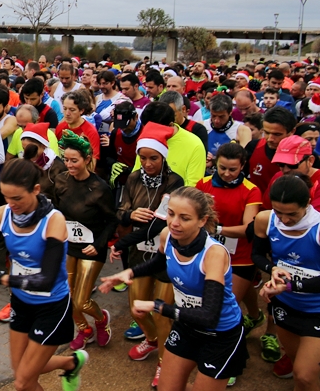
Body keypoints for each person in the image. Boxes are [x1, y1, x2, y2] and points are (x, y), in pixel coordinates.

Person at [100, 187, 249, 390]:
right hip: (186, 326)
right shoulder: (167, 235)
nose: (174, 223)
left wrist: (158, 306)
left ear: (202, 220)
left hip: (220, 334)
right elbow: (160, 262)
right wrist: (130, 273)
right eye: (171, 214)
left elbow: (209, 316)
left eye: (184, 218)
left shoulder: (213, 254)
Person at [0, 159, 89, 391]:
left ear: (36, 190)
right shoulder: (2, 214)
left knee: (22, 382)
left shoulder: (53, 220)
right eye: (6, 196)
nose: (11, 203)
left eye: (17, 198)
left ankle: (70, 362)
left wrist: (2, 278)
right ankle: (71, 362)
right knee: (23, 373)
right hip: (21, 303)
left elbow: (45, 279)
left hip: (51, 306)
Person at [111, 123, 184, 387]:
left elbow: (164, 222)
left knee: (163, 316)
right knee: (137, 309)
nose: (147, 163)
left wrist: (127, 236)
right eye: (143, 158)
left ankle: (165, 361)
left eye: (153, 158)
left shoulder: (175, 181)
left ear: (163, 156)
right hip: (138, 253)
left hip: (165, 254)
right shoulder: (132, 178)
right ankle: (152, 340)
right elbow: (119, 211)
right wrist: (131, 215)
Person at [252, 175, 320, 391]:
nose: (284, 220)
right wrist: (272, 268)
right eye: (279, 212)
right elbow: (257, 256)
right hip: (286, 305)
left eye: (292, 214)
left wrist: (288, 286)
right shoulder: (264, 220)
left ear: (307, 204)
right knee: (299, 371)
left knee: (305, 376)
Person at [195, 142, 264, 384]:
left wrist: (218, 229)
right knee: (232, 299)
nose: (226, 173)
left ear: (243, 166)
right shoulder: (204, 183)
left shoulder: (251, 190)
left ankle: (228, 360)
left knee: (224, 306)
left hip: (240, 257)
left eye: (232, 170)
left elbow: (249, 228)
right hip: (209, 254)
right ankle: (255, 316)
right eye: (222, 168)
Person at [53, 131, 117, 352]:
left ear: (87, 159)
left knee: (82, 301)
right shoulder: (61, 181)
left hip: (92, 248)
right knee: (66, 297)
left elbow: (112, 220)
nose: (69, 165)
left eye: (74, 160)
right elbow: (55, 212)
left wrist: (99, 244)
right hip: (68, 246)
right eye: (66, 160)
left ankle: (101, 320)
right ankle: (84, 329)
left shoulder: (100, 188)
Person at [204, 94, 251, 169]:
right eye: (213, 115)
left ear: (230, 113)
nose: (216, 121)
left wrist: (214, 161)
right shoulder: (202, 126)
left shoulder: (242, 130)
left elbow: (243, 158)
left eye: (221, 116)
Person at [56, 90, 101, 165]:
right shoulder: (61, 127)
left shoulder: (90, 131)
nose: (67, 113)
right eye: (65, 109)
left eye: (72, 110)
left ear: (81, 110)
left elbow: (92, 162)